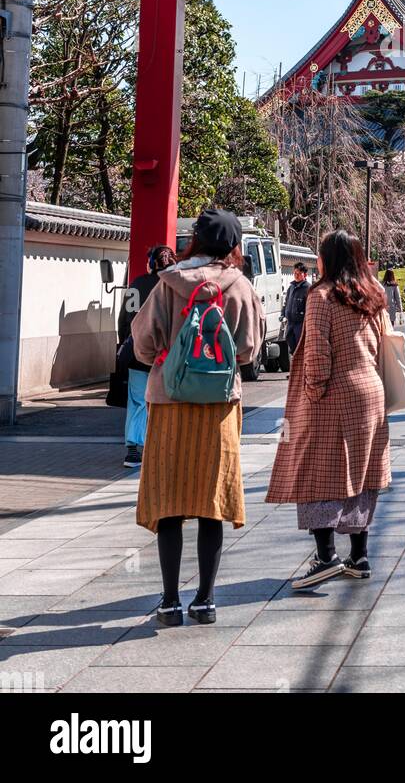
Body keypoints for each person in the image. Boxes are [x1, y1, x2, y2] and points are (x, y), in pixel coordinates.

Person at [132, 207, 265, 627]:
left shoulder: (167, 284)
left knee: (169, 502)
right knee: (211, 503)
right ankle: (205, 600)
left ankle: (170, 602)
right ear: (234, 246)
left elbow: (142, 342)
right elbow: (248, 350)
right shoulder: (239, 285)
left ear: (194, 241)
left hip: (169, 403)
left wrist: (165, 359)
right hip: (219, 407)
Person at [266, 229, 392, 590]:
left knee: (317, 473)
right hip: (371, 393)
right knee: (362, 474)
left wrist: (312, 392)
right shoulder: (373, 295)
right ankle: (359, 556)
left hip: (333, 395)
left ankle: (325, 557)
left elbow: (319, 354)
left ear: (328, 259)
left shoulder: (321, 296)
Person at [118, 245, 176, 469]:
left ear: (151, 263)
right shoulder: (176, 286)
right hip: (168, 356)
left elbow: (125, 320)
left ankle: (133, 449)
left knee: (138, 401)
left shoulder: (136, 285)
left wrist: (125, 343)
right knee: (167, 401)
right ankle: (163, 448)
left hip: (138, 354)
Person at [281, 262, 312, 358]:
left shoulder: (308, 288)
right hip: (290, 322)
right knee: (291, 344)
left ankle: (302, 371)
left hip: (301, 323)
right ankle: (294, 370)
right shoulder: (291, 287)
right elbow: (286, 303)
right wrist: (283, 314)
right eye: (295, 273)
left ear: (305, 275)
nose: (296, 275)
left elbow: (309, 307)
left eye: (299, 273)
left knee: (300, 347)